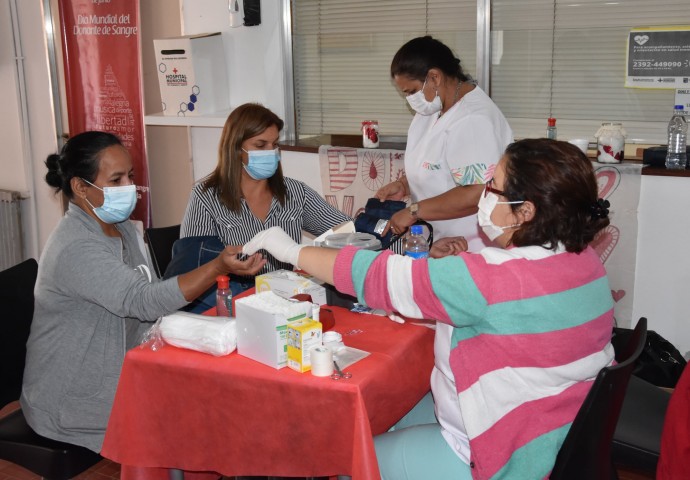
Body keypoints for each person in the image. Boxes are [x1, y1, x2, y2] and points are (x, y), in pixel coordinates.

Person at [243, 139, 615, 479]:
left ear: (525, 211)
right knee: (385, 411)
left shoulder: (490, 279)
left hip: (501, 450)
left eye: (493, 186)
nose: (483, 194)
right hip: (554, 424)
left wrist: (292, 251)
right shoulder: (584, 262)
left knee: (349, 457)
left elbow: (375, 276)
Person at [20, 131, 266, 453]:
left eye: (131, 177)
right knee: (198, 421)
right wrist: (218, 267)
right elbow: (145, 302)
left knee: (220, 394)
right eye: (116, 179)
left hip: (126, 371)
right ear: (81, 187)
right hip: (72, 400)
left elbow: (150, 297)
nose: (129, 188)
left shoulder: (120, 227)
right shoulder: (76, 247)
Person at [177, 102, 351, 310]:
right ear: (235, 148)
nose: (271, 152)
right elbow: (194, 270)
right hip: (233, 306)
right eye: (260, 145)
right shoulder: (206, 198)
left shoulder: (294, 193)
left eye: (274, 144)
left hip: (289, 303)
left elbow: (346, 231)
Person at [376, 36, 513, 251]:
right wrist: (404, 185)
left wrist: (413, 211)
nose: (410, 100)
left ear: (434, 77)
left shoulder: (472, 120)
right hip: (437, 241)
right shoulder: (432, 108)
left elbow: (477, 191)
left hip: (470, 246)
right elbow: (437, 166)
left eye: (412, 91)